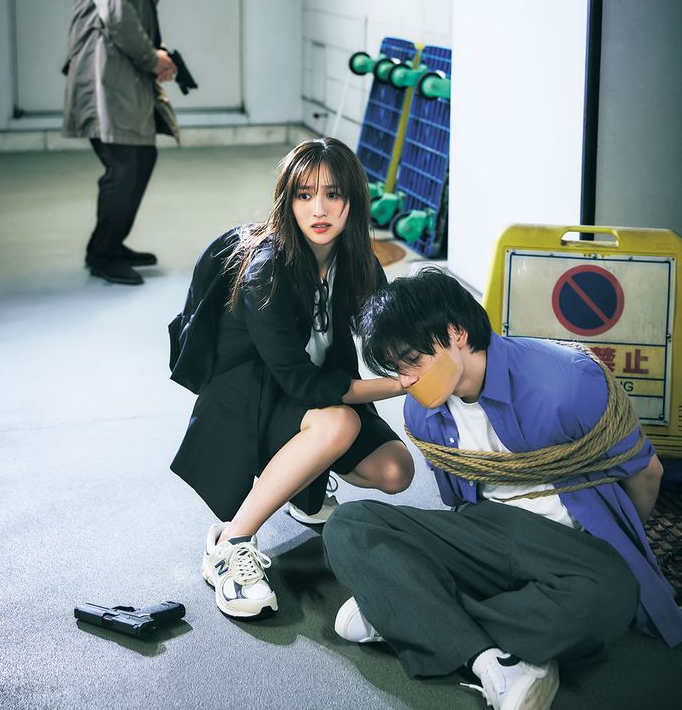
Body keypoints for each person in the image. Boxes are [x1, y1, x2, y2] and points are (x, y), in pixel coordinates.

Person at [323, 267, 682, 710]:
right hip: (490, 532)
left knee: (611, 597)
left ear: (456, 332)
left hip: (569, 547)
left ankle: (408, 613)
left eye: (413, 360)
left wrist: (616, 546)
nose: (406, 379)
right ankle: (493, 658)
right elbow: (457, 507)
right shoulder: (422, 414)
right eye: (398, 368)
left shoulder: (566, 383)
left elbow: (647, 474)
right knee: (350, 524)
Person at [170, 137, 415, 619]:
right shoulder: (267, 269)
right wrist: (399, 386)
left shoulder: (357, 260)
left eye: (333, 194)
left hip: (311, 396)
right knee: (339, 423)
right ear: (288, 200)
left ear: (353, 200)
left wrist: (437, 358)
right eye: (305, 195)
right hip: (252, 400)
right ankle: (229, 545)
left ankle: (306, 484)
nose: (319, 209)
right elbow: (303, 385)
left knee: (395, 471)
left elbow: (388, 333)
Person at [62, 0, 187, 286]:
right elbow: (115, 12)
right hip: (103, 70)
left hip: (124, 67)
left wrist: (155, 54)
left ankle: (111, 244)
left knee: (142, 157)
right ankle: (103, 254)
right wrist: (153, 59)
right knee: (123, 165)